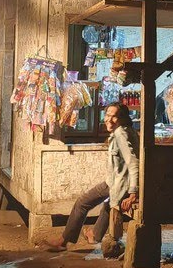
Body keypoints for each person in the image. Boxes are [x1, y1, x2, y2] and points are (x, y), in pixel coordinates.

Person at [41, 101, 139, 251]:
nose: (109, 119)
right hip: (118, 183)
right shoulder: (127, 130)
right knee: (108, 205)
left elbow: (133, 162)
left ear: (122, 119)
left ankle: (63, 241)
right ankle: (94, 235)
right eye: (107, 115)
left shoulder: (121, 134)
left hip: (118, 183)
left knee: (82, 203)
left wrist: (133, 193)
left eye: (114, 116)